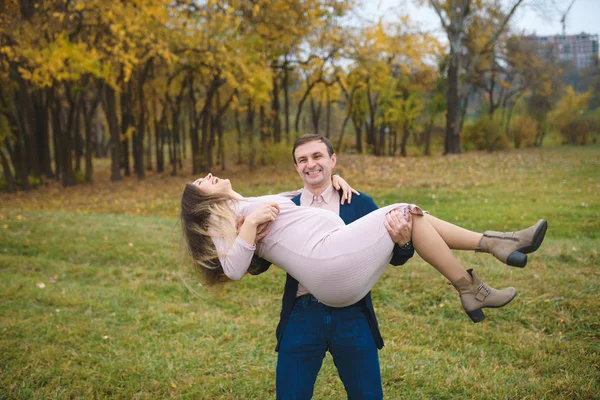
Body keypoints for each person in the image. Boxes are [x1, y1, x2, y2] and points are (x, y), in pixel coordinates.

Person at [246, 135, 414, 400]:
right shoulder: (283, 208)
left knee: (367, 395)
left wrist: (404, 244)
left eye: (317, 156)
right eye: (302, 160)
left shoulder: (358, 203)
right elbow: (258, 266)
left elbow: (394, 255)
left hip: (352, 314)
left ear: (332, 160)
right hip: (302, 314)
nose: (310, 164)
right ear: (296, 167)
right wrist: (252, 243)